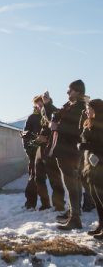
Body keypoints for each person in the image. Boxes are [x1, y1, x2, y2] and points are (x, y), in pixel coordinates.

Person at [44, 80, 87, 230]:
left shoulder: (81, 107)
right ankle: (74, 213)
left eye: (70, 91)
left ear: (78, 91)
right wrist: (48, 105)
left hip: (70, 152)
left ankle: (75, 218)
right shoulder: (72, 106)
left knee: (72, 185)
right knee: (74, 184)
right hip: (66, 151)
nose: (67, 93)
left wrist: (57, 127)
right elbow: (59, 116)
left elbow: (77, 130)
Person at [29, 95, 65, 211]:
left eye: (40, 105)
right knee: (38, 179)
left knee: (55, 179)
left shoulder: (54, 111)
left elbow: (58, 131)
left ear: (46, 103)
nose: (39, 108)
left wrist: (47, 139)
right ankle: (45, 203)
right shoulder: (37, 117)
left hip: (51, 150)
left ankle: (59, 204)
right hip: (40, 149)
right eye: (37, 106)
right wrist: (37, 139)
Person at [79, 99, 103, 239]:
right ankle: (101, 225)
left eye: (89, 109)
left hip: (101, 166)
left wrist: (86, 146)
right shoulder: (90, 123)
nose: (87, 111)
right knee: (97, 198)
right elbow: (85, 138)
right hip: (92, 165)